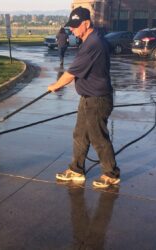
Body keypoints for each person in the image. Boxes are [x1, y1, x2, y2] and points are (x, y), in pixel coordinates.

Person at [48, 7, 120, 188]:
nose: (72, 29)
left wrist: (55, 86)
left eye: (75, 26)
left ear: (86, 24)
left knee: (98, 137)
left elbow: (71, 73)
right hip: (88, 97)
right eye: (71, 26)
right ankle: (76, 170)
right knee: (80, 134)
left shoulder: (93, 43)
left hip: (98, 99)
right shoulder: (89, 40)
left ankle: (111, 174)